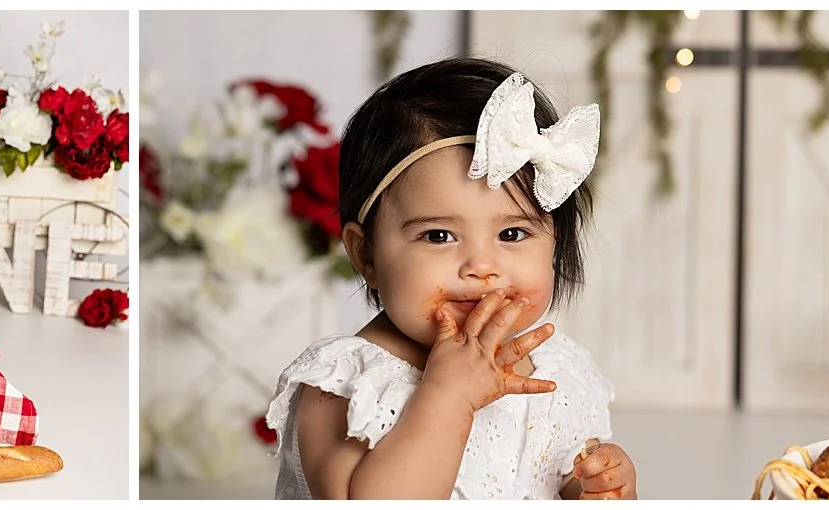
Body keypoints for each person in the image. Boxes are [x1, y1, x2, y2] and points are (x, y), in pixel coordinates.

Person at [265, 57, 637, 499]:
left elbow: (551, 475)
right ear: (366, 255)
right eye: (439, 235)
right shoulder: (346, 383)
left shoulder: (558, 371)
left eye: (512, 233)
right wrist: (448, 396)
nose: (481, 266)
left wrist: (593, 486)